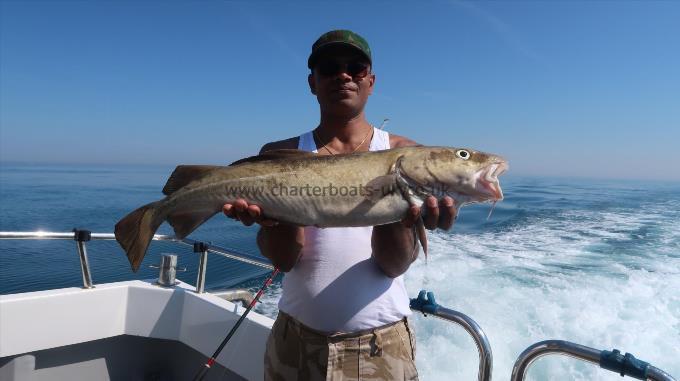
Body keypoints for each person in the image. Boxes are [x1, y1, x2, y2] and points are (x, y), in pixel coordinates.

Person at [223, 30, 456, 381]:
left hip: (380, 348)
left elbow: (392, 266)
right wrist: (273, 218)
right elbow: (285, 260)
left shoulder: (404, 154)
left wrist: (399, 209)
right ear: (312, 83)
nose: (343, 75)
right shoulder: (280, 154)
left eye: (356, 68)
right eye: (330, 68)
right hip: (294, 344)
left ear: (371, 81)